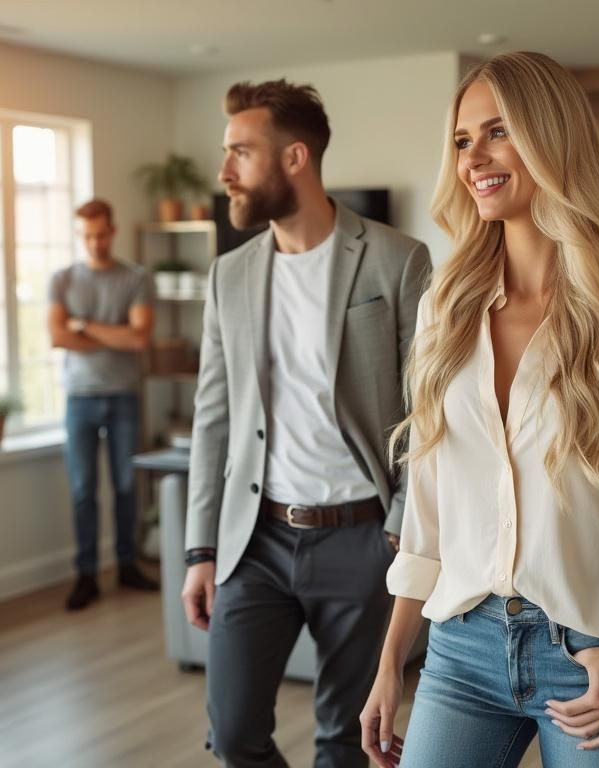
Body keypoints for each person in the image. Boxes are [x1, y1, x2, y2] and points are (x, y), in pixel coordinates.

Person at [360, 51, 599, 767]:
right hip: (460, 650)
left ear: (552, 139)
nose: (474, 158)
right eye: (463, 140)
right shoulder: (445, 309)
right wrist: (388, 664)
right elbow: (427, 511)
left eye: (498, 132)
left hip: (591, 656)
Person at [181, 79, 431, 767]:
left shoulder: (396, 259)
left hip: (360, 540)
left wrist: (398, 526)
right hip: (253, 541)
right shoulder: (229, 275)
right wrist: (201, 549)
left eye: (241, 152)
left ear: (295, 157)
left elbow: (427, 412)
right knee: (233, 734)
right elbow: (213, 417)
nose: (224, 171)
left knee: (344, 742)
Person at [48, 198, 160, 611]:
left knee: (127, 485)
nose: (94, 243)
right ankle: (86, 575)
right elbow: (58, 337)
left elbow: (138, 339)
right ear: (81, 236)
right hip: (79, 398)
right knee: (82, 489)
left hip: (123, 397)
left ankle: (127, 565)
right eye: (87, 236)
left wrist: (84, 325)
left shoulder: (136, 278)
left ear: (112, 232)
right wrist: (110, 333)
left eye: (101, 235)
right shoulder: (62, 280)